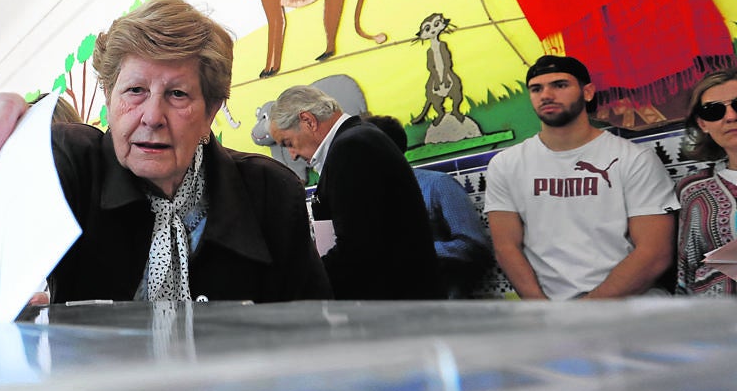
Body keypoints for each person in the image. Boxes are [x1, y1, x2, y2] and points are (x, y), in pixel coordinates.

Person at [0, 0, 330, 305]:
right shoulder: (70, 160)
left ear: (210, 114)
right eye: (135, 90)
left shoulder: (271, 191)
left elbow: (310, 327)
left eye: (177, 94)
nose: (152, 116)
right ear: (109, 99)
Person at [484, 55, 678, 300]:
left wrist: (584, 311)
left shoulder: (634, 159)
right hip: (552, 313)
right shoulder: (505, 165)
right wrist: (543, 311)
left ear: (587, 92)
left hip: (631, 305)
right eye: (536, 88)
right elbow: (506, 247)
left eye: (560, 85)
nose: (546, 95)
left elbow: (655, 253)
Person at [268, 88, 441, 300]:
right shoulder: (357, 138)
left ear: (308, 121)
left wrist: (303, 286)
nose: (292, 156)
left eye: (288, 144)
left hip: (393, 307)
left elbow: (358, 247)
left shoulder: (352, 147)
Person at [365, 114, 494, 298]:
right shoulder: (363, 200)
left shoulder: (437, 185)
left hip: (443, 309)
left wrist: (412, 254)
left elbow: (474, 247)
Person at [675, 69, 737, 296]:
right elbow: (686, 271)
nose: (730, 116)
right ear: (702, 124)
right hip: (721, 323)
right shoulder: (694, 189)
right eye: (714, 111)